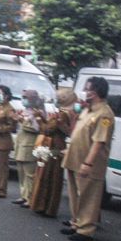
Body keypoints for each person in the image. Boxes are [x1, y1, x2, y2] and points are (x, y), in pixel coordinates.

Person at [61, 76, 115, 241]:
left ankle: (85, 229)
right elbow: (76, 133)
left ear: (95, 92)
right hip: (74, 159)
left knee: (88, 196)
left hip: (89, 163)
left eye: (87, 89)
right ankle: (76, 223)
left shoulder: (104, 114)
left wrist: (88, 163)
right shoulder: (87, 110)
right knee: (75, 194)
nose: (84, 92)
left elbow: (99, 141)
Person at [31, 88, 77, 218]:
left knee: (49, 177)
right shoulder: (67, 113)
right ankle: (46, 206)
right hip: (57, 144)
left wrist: (39, 118)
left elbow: (48, 130)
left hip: (54, 145)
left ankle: (45, 206)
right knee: (52, 176)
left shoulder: (62, 114)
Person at [12, 89, 43, 206]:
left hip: (29, 145)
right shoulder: (25, 111)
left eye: (26, 97)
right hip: (20, 144)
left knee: (29, 173)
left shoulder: (39, 112)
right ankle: (23, 195)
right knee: (21, 172)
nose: (23, 99)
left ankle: (30, 197)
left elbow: (37, 129)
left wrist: (22, 121)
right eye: (23, 97)